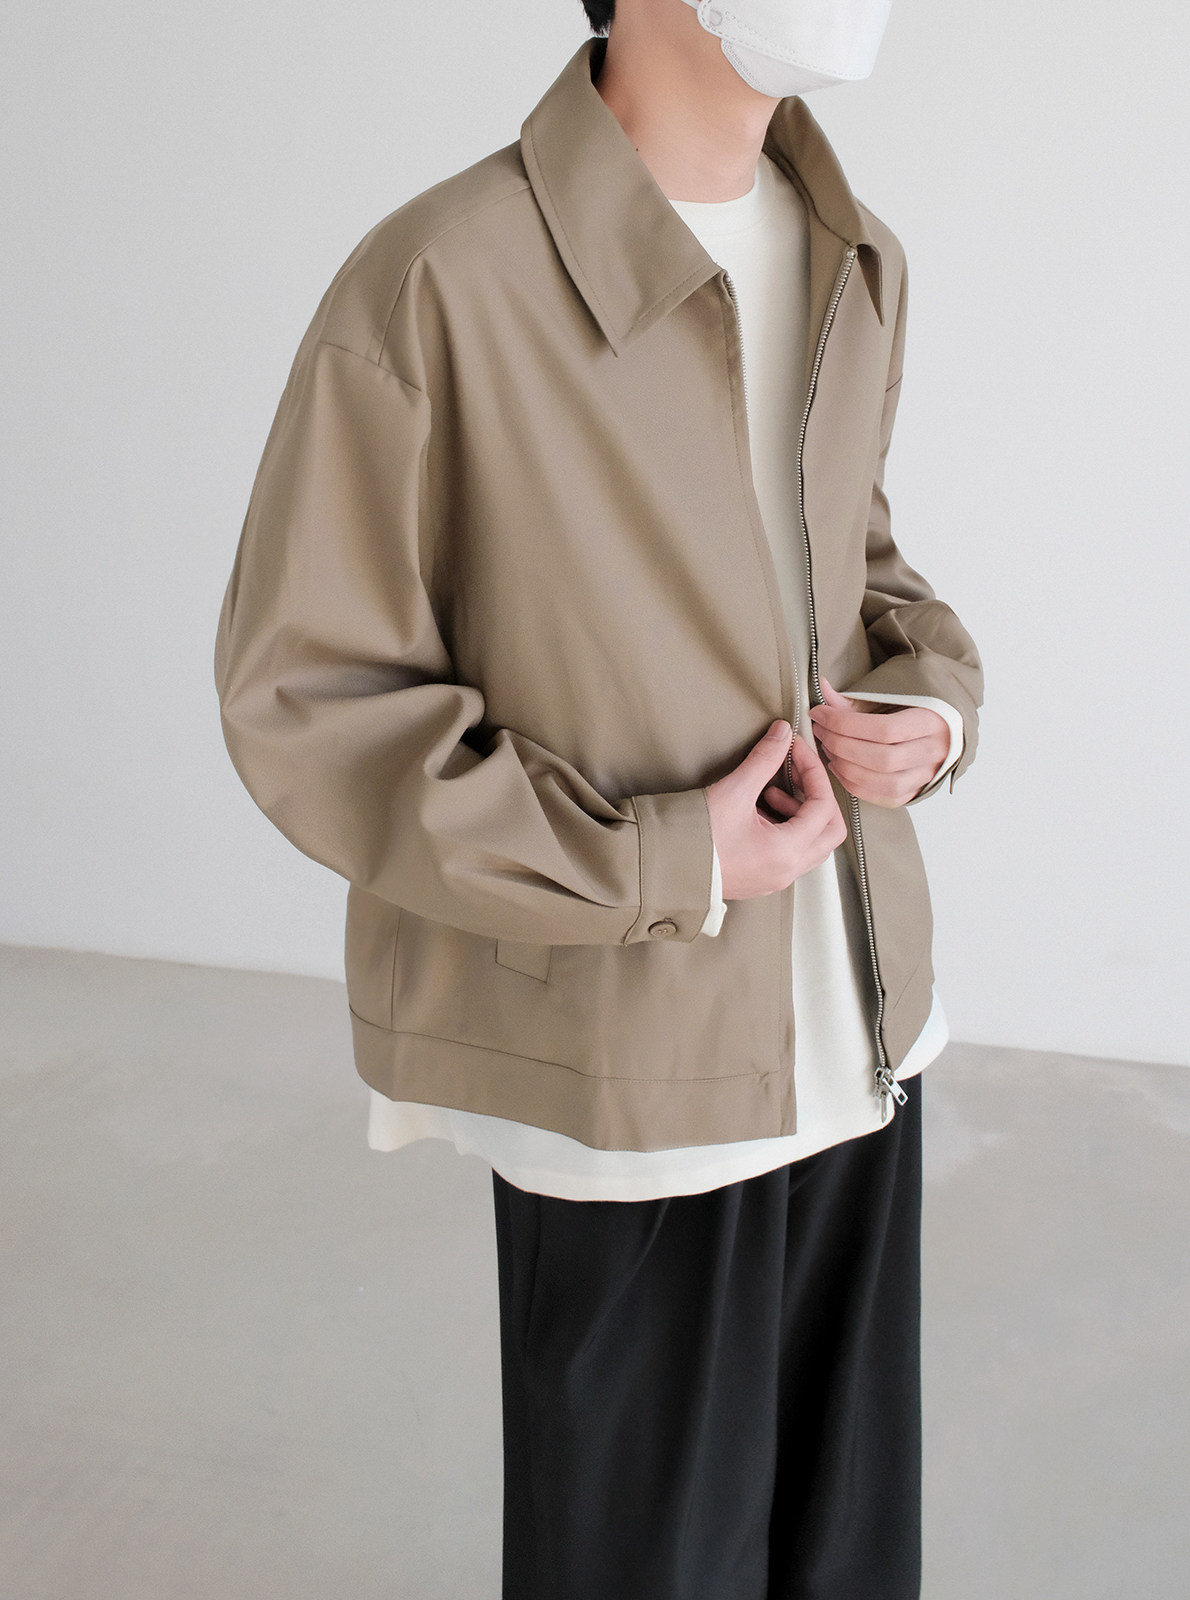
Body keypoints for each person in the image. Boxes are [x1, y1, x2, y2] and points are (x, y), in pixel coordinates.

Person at [214, 1, 984, 1594]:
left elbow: (853, 577)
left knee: (849, 1559)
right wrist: (656, 858)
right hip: (627, 1064)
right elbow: (307, 696)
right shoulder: (442, 279)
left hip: (862, 1029)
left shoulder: (856, 255)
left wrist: (929, 710)